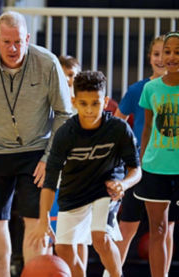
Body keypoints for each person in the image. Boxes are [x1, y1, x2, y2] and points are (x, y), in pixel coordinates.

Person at [0, 11, 71, 277]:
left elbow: (64, 114)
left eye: (19, 42)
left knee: (36, 221)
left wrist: (50, 158)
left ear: (28, 38)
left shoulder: (48, 62)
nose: (13, 48)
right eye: (7, 41)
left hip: (37, 152)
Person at [29, 71, 141, 277]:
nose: (89, 110)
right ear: (74, 101)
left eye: (95, 103)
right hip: (73, 192)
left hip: (105, 190)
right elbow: (50, 181)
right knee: (62, 247)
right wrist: (43, 219)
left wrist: (123, 185)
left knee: (100, 236)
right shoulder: (65, 134)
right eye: (83, 103)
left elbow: (136, 169)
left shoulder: (119, 129)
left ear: (105, 101)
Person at [113, 35, 177, 277]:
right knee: (129, 226)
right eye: (158, 53)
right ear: (150, 58)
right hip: (142, 168)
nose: (163, 58)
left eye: (169, 52)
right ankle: (112, 272)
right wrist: (129, 156)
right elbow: (121, 123)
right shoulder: (142, 89)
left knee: (167, 229)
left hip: (170, 168)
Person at [134, 31, 179, 277]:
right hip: (155, 168)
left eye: (177, 52)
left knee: (169, 228)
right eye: (166, 52)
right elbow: (148, 128)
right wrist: (141, 162)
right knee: (158, 229)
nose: (171, 57)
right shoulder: (151, 89)